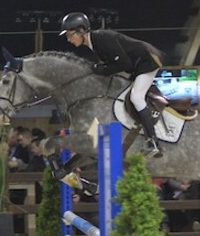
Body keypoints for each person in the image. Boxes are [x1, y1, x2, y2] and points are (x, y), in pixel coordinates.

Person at [60, 11, 164, 157]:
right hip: (135, 65)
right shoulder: (93, 43)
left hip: (147, 61)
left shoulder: (101, 38)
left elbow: (123, 63)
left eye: (70, 35)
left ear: (82, 31)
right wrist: (101, 70)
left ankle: (153, 141)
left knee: (136, 97)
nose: (69, 40)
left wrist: (101, 70)